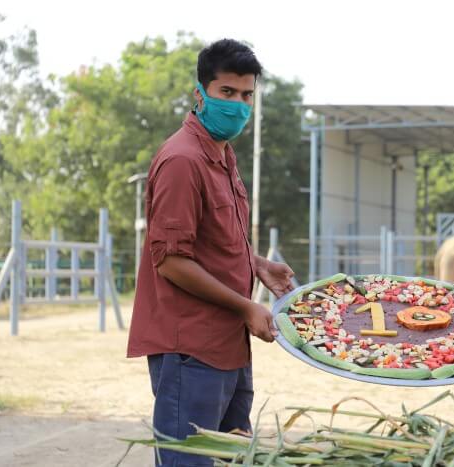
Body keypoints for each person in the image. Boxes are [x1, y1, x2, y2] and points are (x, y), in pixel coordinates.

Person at [126, 39, 295, 467]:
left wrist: (257, 266)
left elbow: (212, 240)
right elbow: (171, 261)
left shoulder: (222, 155)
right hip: (191, 350)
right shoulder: (182, 161)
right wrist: (245, 306)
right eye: (227, 93)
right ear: (199, 94)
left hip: (229, 345)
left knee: (237, 457)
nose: (238, 105)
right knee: (190, 461)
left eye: (246, 95)